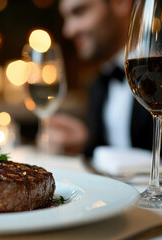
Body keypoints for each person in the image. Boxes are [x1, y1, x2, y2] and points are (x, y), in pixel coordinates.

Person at [53, 0, 153, 158]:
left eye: (79, 12)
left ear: (120, 4)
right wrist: (86, 142)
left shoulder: (157, 74)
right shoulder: (97, 84)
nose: (68, 31)